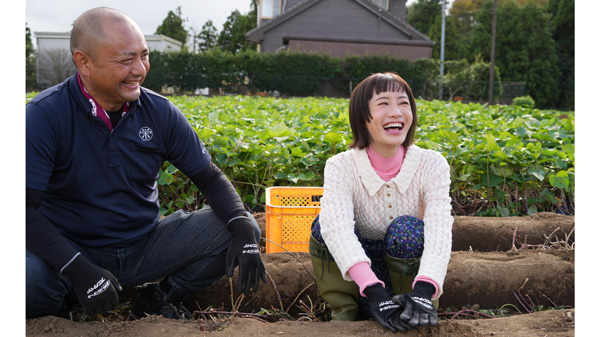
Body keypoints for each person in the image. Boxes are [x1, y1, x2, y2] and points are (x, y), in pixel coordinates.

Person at [26, 7, 266, 320]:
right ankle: (64, 315)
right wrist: (78, 269)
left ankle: (157, 298)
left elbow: (209, 178)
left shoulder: (161, 112)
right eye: (126, 60)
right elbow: (20, 208)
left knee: (236, 226)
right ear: (83, 61)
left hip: (144, 248)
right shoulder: (45, 115)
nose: (140, 69)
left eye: (144, 56)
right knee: (23, 278)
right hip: (73, 250)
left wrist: (241, 225)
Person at [309, 72, 453, 332]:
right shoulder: (341, 166)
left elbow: (440, 229)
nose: (396, 112)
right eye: (383, 103)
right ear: (362, 117)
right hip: (359, 282)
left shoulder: (433, 164)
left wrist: (425, 288)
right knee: (324, 224)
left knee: (407, 229)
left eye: (404, 103)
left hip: (406, 285)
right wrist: (373, 290)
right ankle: (345, 314)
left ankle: (412, 309)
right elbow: (338, 229)